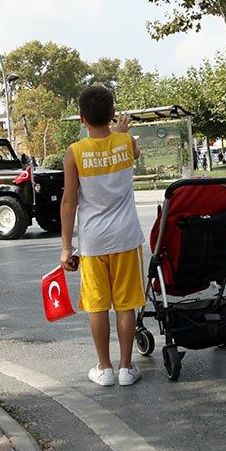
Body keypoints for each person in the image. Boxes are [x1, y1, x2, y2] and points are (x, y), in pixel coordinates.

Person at [59, 85, 145, 388]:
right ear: (111, 114)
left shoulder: (74, 153)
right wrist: (121, 131)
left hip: (94, 243)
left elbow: (69, 202)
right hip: (126, 239)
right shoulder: (125, 142)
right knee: (125, 305)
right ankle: (125, 367)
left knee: (97, 305)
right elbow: (133, 150)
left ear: (81, 117)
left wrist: (67, 247)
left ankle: (104, 368)